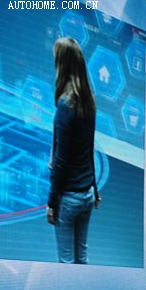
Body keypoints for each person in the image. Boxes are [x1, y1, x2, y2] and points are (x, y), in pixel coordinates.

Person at [47, 37, 99, 264]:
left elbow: (61, 159)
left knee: (66, 263)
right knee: (82, 258)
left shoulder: (65, 104)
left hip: (68, 198)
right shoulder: (88, 101)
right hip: (87, 194)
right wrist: (95, 188)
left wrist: (52, 202)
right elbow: (89, 148)